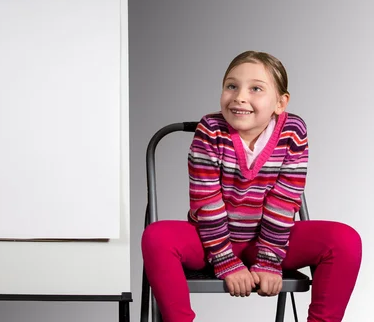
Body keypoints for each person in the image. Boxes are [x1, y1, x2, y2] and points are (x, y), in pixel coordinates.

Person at [141, 51, 362, 322]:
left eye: (255, 88)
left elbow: (285, 199)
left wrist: (269, 261)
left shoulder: (293, 131)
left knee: (344, 240)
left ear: (280, 103)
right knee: (156, 237)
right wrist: (226, 261)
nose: (239, 97)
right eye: (231, 86)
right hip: (210, 242)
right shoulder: (210, 131)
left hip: (270, 240)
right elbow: (206, 203)